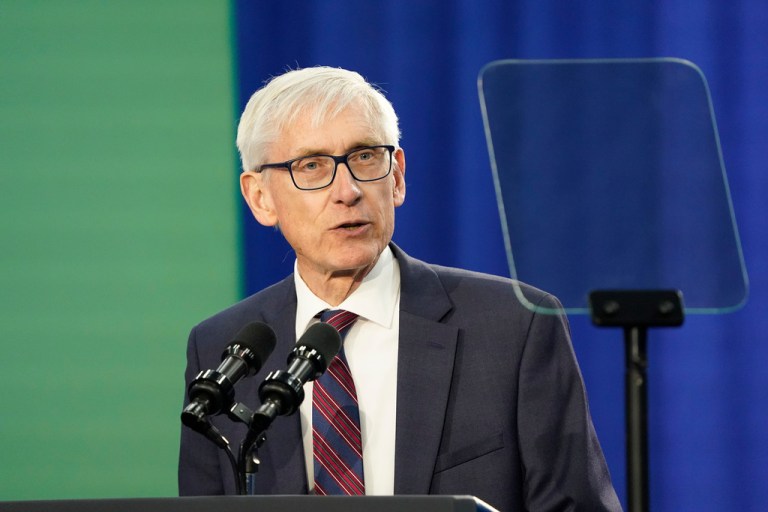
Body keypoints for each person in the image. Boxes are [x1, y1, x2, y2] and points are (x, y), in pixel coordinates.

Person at [178, 66, 621, 511]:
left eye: (365, 157)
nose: (347, 190)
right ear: (260, 198)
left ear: (397, 176)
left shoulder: (513, 328)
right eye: (311, 166)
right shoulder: (220, 349)